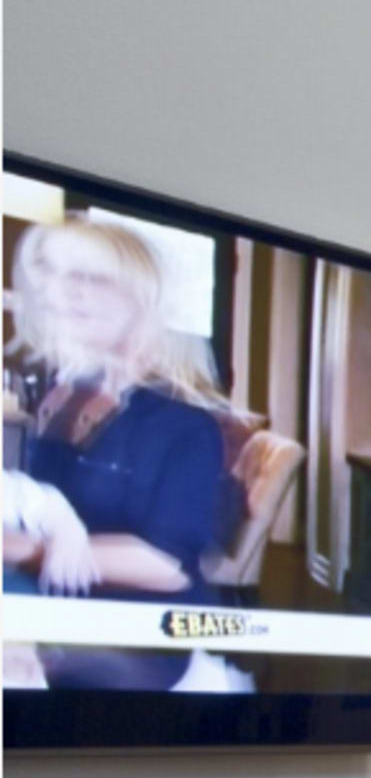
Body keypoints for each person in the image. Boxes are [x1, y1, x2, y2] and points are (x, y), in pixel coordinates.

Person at [5, 215, 241, 686]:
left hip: (136, 637)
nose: (56, 291)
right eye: (48, 274)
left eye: (85, 278)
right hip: (43, 607)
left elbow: (164, 567)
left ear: (139, 301)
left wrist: (21, 549)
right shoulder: (62, 397)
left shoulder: (183, 425)